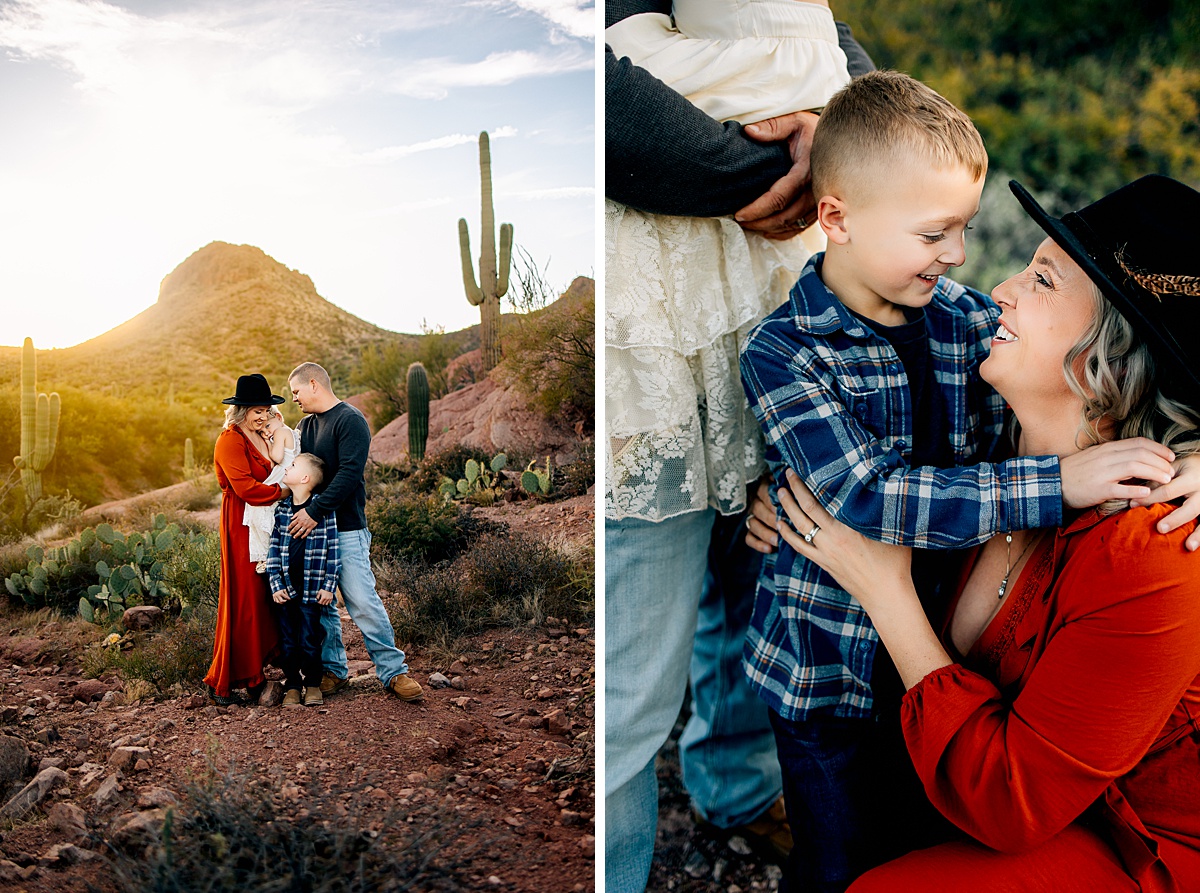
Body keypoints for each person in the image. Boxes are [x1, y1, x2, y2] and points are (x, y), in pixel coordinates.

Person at [737, 71, 1188, 892]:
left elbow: (1128, 385)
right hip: (826, 670)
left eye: (966, 230)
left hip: (947, 671)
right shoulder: (785, 350)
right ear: (836, 220)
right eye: (934, 233)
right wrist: (1054, 484)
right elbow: (864, 493)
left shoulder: (963, 320)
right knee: (836, 855)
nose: (969, 263)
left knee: (912, 834)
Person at [604, 1, 875, 887]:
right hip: (655, 313)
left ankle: (735, 786)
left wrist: (842, 135)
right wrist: (792, 167)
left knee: (755, 558)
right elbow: (597, 93)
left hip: (769, 287)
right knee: (630, 678)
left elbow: (828, 40)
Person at [285, 362, 423, 702]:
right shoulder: (304, 426)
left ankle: (393, 671)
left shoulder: (350, 420)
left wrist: (314, 511)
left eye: (296, 392)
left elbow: (349, 474)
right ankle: (335, 670)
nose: (295, 399)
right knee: (322, 605)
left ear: (314, 384)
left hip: (345, 527)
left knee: (361, 599)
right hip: (314, 532)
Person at [203, 373, 286, 706]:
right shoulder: (230, 440)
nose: (263, 416)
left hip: (263, 522)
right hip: (241, 522)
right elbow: (246, 489)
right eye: (256, 411)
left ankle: (256, 672)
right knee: (245, 598)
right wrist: (285, 491)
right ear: (241, 411)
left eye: (266, 410)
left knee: (264, 597)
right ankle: (228, 680)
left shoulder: (261, 435)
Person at [266, 453, 337, 708]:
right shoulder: (282, 510)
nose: (288, 467)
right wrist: (276, 584)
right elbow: (273, 549)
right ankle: (293, 686)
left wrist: (329, 587)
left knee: (310, 640)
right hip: (286, 589)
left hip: (312, 589)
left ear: (305, 478)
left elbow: (333, 550)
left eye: (293, 465)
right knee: (288, 642)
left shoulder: (323, 511)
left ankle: (313, 684)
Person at [244, 407, 298, 573]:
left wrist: (268, 442)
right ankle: (268, 554)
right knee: (267, 511)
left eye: (268, 426)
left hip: (282, 475)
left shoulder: (281, 432)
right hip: (286, 474)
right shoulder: (292, 433)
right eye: (262, 431)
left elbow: (277, 458)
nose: (266, 432)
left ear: (279, 417)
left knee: (258, 506)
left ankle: (265, 555)